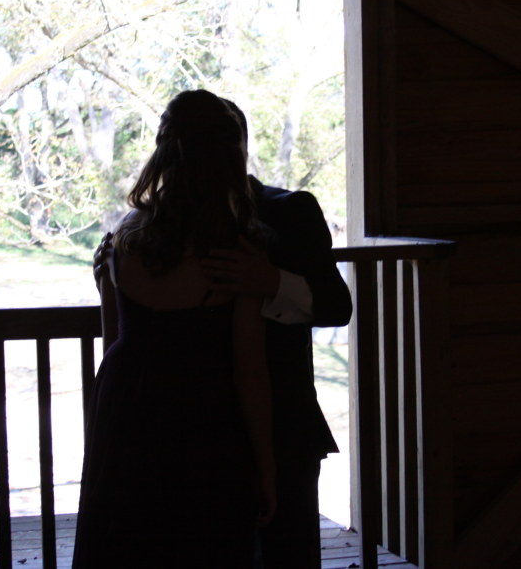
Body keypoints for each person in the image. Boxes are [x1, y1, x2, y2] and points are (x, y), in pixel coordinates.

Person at [93, 96, 353, 568]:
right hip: (206, 431)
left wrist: (271, 281)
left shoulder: (288, 211)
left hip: (278, 425)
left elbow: (337, 306)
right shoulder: (143, 234)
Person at [72, 90, 275, 568]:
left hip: (126, 416)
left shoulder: (124, 237)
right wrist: (267, 471)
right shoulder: (234, 251)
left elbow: (114, 342)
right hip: (204, 424)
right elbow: (249, 370)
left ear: (163, 153)